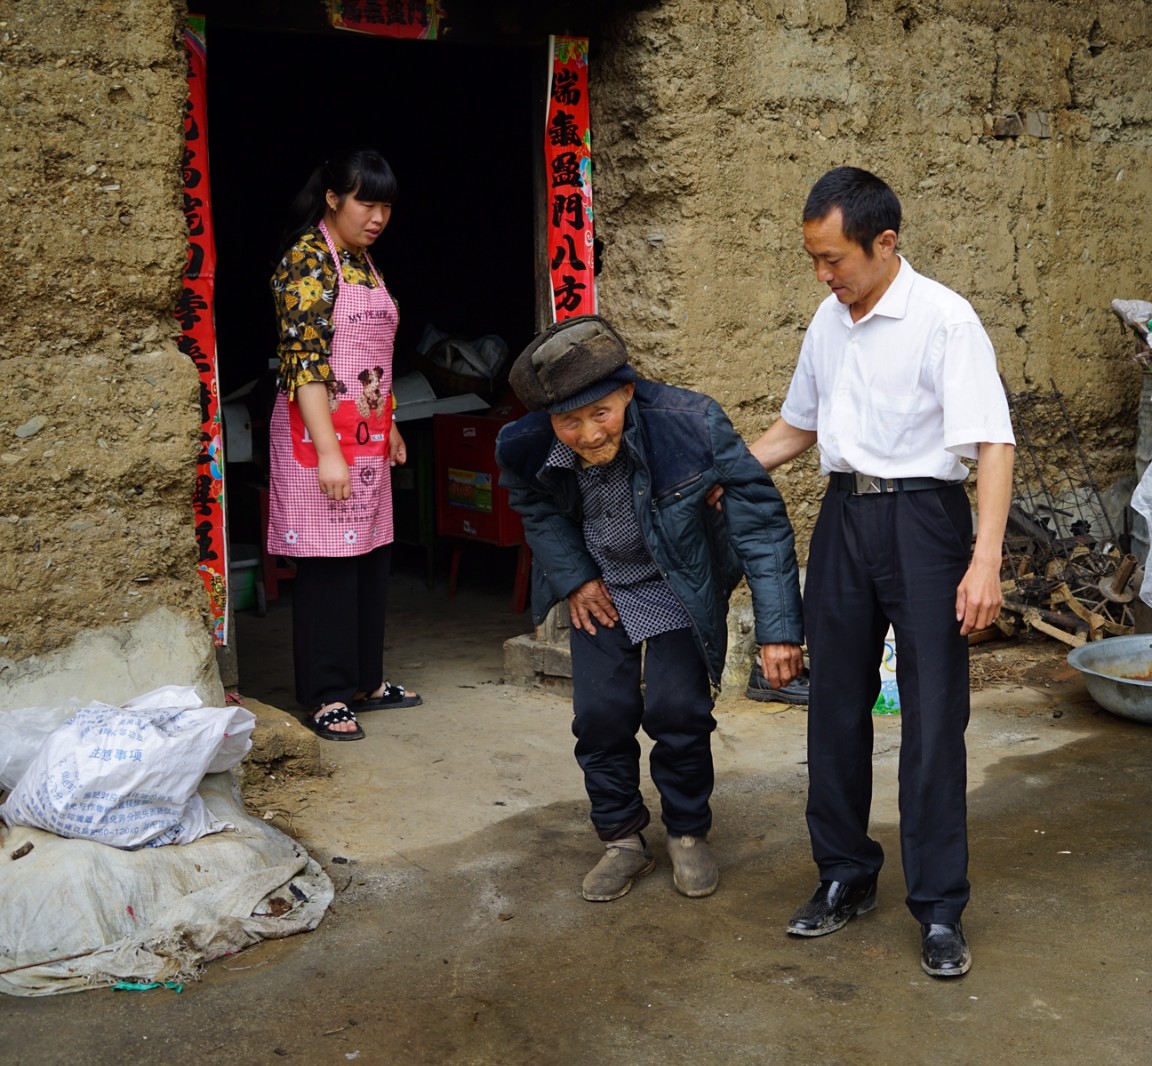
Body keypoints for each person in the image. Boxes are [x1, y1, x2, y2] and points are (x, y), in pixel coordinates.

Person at [748, 166, 1016, 978]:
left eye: (835, 259)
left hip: (927, 523)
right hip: (843, 518)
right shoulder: (827, 323)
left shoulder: (945, 320)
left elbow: (993, 443)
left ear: (884, 242)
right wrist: (720, 477)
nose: (824, 276)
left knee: (933, 721)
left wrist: (985, 561)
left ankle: (939, 909)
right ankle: (844, 875)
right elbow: (795, 428)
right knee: (832, 706)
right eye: (814, 261)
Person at [496, 316, 805, 902]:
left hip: (679, 583)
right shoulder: (525, 444)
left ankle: (688, 832)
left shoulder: (690, 424)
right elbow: (536, 510)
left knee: (678, 710)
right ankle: (622, 839)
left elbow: (761, 526)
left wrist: (778, 630)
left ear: (628, 392)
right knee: (601, 714)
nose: (587, 435)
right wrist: (577, 579)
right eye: (569, 422)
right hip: (603, 587)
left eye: (601, 415)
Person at [266, 149, 421, 742]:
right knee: (329, 562)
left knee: (370, 556)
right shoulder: (307, 260)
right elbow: (303, 366)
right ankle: (327, 694)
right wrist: (329, 450)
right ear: (334, 199)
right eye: (366, 202)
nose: (378, 216)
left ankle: (365, 681)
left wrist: (393, 423)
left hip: (369, 433)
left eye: (386, 205)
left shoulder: (365, 264)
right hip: (321, 435)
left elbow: (375, 362)